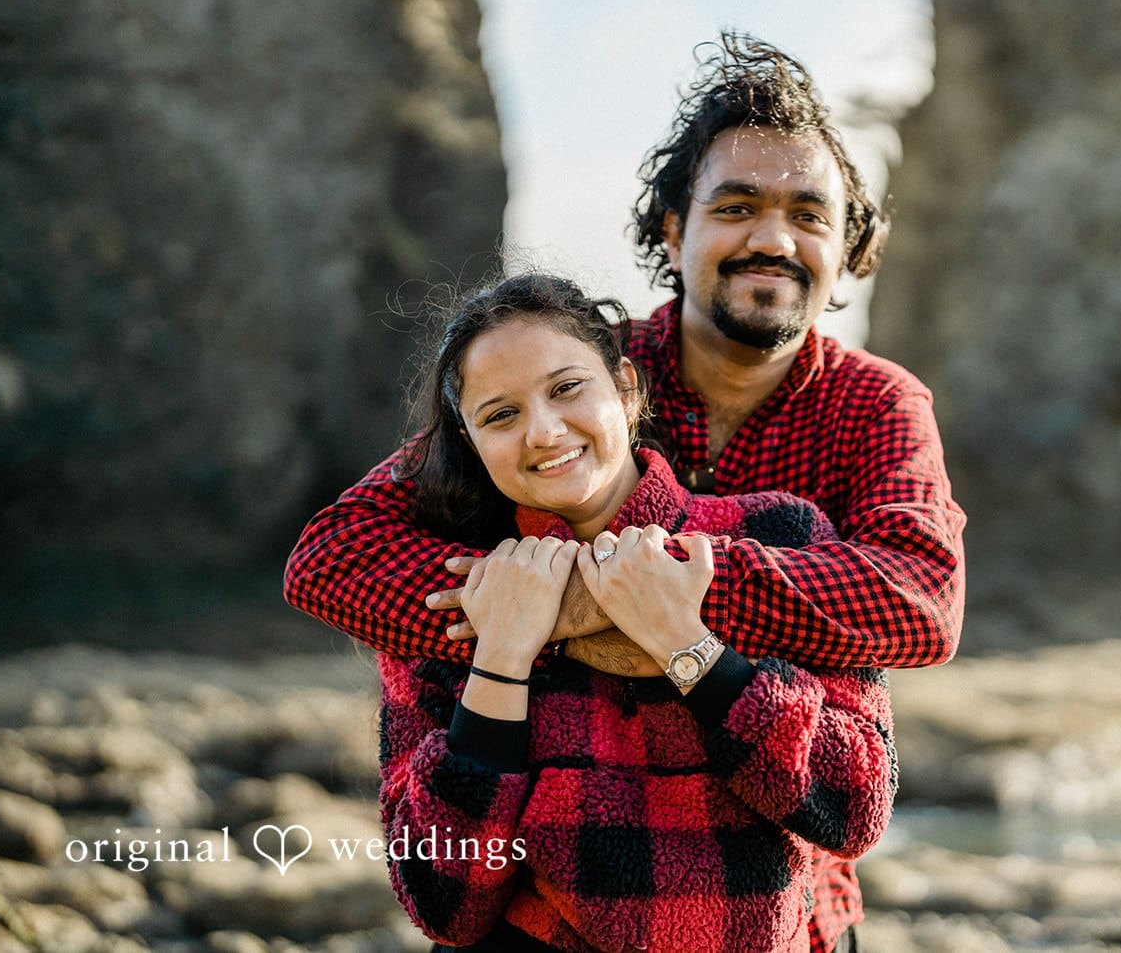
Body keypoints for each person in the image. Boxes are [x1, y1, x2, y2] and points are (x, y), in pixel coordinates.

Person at [285, 32, 964, 951]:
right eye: (736, 205)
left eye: (809, 212)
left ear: (846, 246)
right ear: (673, 231)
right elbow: (334, 555)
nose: (772, 236)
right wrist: (556, 610)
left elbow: (920, 602)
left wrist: (664, 601)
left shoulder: (874, 404)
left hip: (788, 884)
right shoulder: (579, 386)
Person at [380, 274, 894, 952]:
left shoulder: (780, 533)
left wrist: (688, 646)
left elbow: (855, 804)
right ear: (471, 441)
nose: (542, 430)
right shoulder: (459, 585)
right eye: (500, 414)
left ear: (625, 387)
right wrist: (501, 659)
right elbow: (444, 905)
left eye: (566, 388)